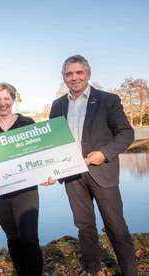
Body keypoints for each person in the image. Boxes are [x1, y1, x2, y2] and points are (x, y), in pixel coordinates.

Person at [49, 55, 137, 275]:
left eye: (79, 72)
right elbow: (52, 143)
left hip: (102, 172)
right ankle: (93, 269)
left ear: (88, 74)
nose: (74, 77)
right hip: (73, 176)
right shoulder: (57, 105)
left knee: (116, 227)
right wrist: (50, 170)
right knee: (85, 227)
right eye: (69, 74)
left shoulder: (108, 100)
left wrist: (104, 153)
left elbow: (126, 133)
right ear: (63, 77)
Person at [0, 82, 44, 276]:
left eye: (6, 98)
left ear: (13, 99)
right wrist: (1, 172)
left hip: (26, 190)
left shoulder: (27, 123)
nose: (3, 103)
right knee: (13, 237)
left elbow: (39, 155)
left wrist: (47, 173)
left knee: (30, 237)